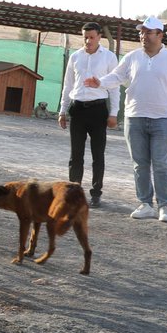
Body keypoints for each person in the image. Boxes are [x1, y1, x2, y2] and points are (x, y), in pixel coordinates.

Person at [84, 16, 167, 223]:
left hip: (163, 119)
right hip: (134, 117)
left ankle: (164, 206)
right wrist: (100, 82)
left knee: (161, 164)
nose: (143, 36)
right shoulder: (132, 57)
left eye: (148, 32)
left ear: (160, 35)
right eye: (141, 32)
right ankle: (145, 204)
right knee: (140, 164)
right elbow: (117, 76)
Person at [58, 22, 119, 209]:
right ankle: (74, 192)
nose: (88, 41)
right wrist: (62, 110)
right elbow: (68, 85)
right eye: (85, 37)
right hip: (77, 109)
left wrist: (113, 113)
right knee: (75, 154)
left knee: (97, 154)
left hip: (98, 110)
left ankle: (96, 193)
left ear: (99, 36)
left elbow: (114, 87)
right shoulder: (75, 57)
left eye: (92, 37)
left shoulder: (109, 57)